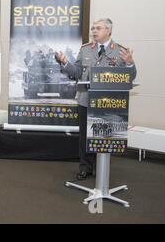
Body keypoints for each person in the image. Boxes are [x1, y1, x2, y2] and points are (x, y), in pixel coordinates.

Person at [55, 18, 137, 180]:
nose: (94, 31)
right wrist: (65, 63)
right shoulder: (85, 49)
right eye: (93, 28)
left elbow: (131, 77)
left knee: (104, 135)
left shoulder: (120, 51)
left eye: (98, 28)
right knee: (85, 136)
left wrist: (129, 64)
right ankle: (86, 167)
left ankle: (102, 168)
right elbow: (78, 72)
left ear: (109, 31)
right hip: (86, 100)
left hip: (109, 103)